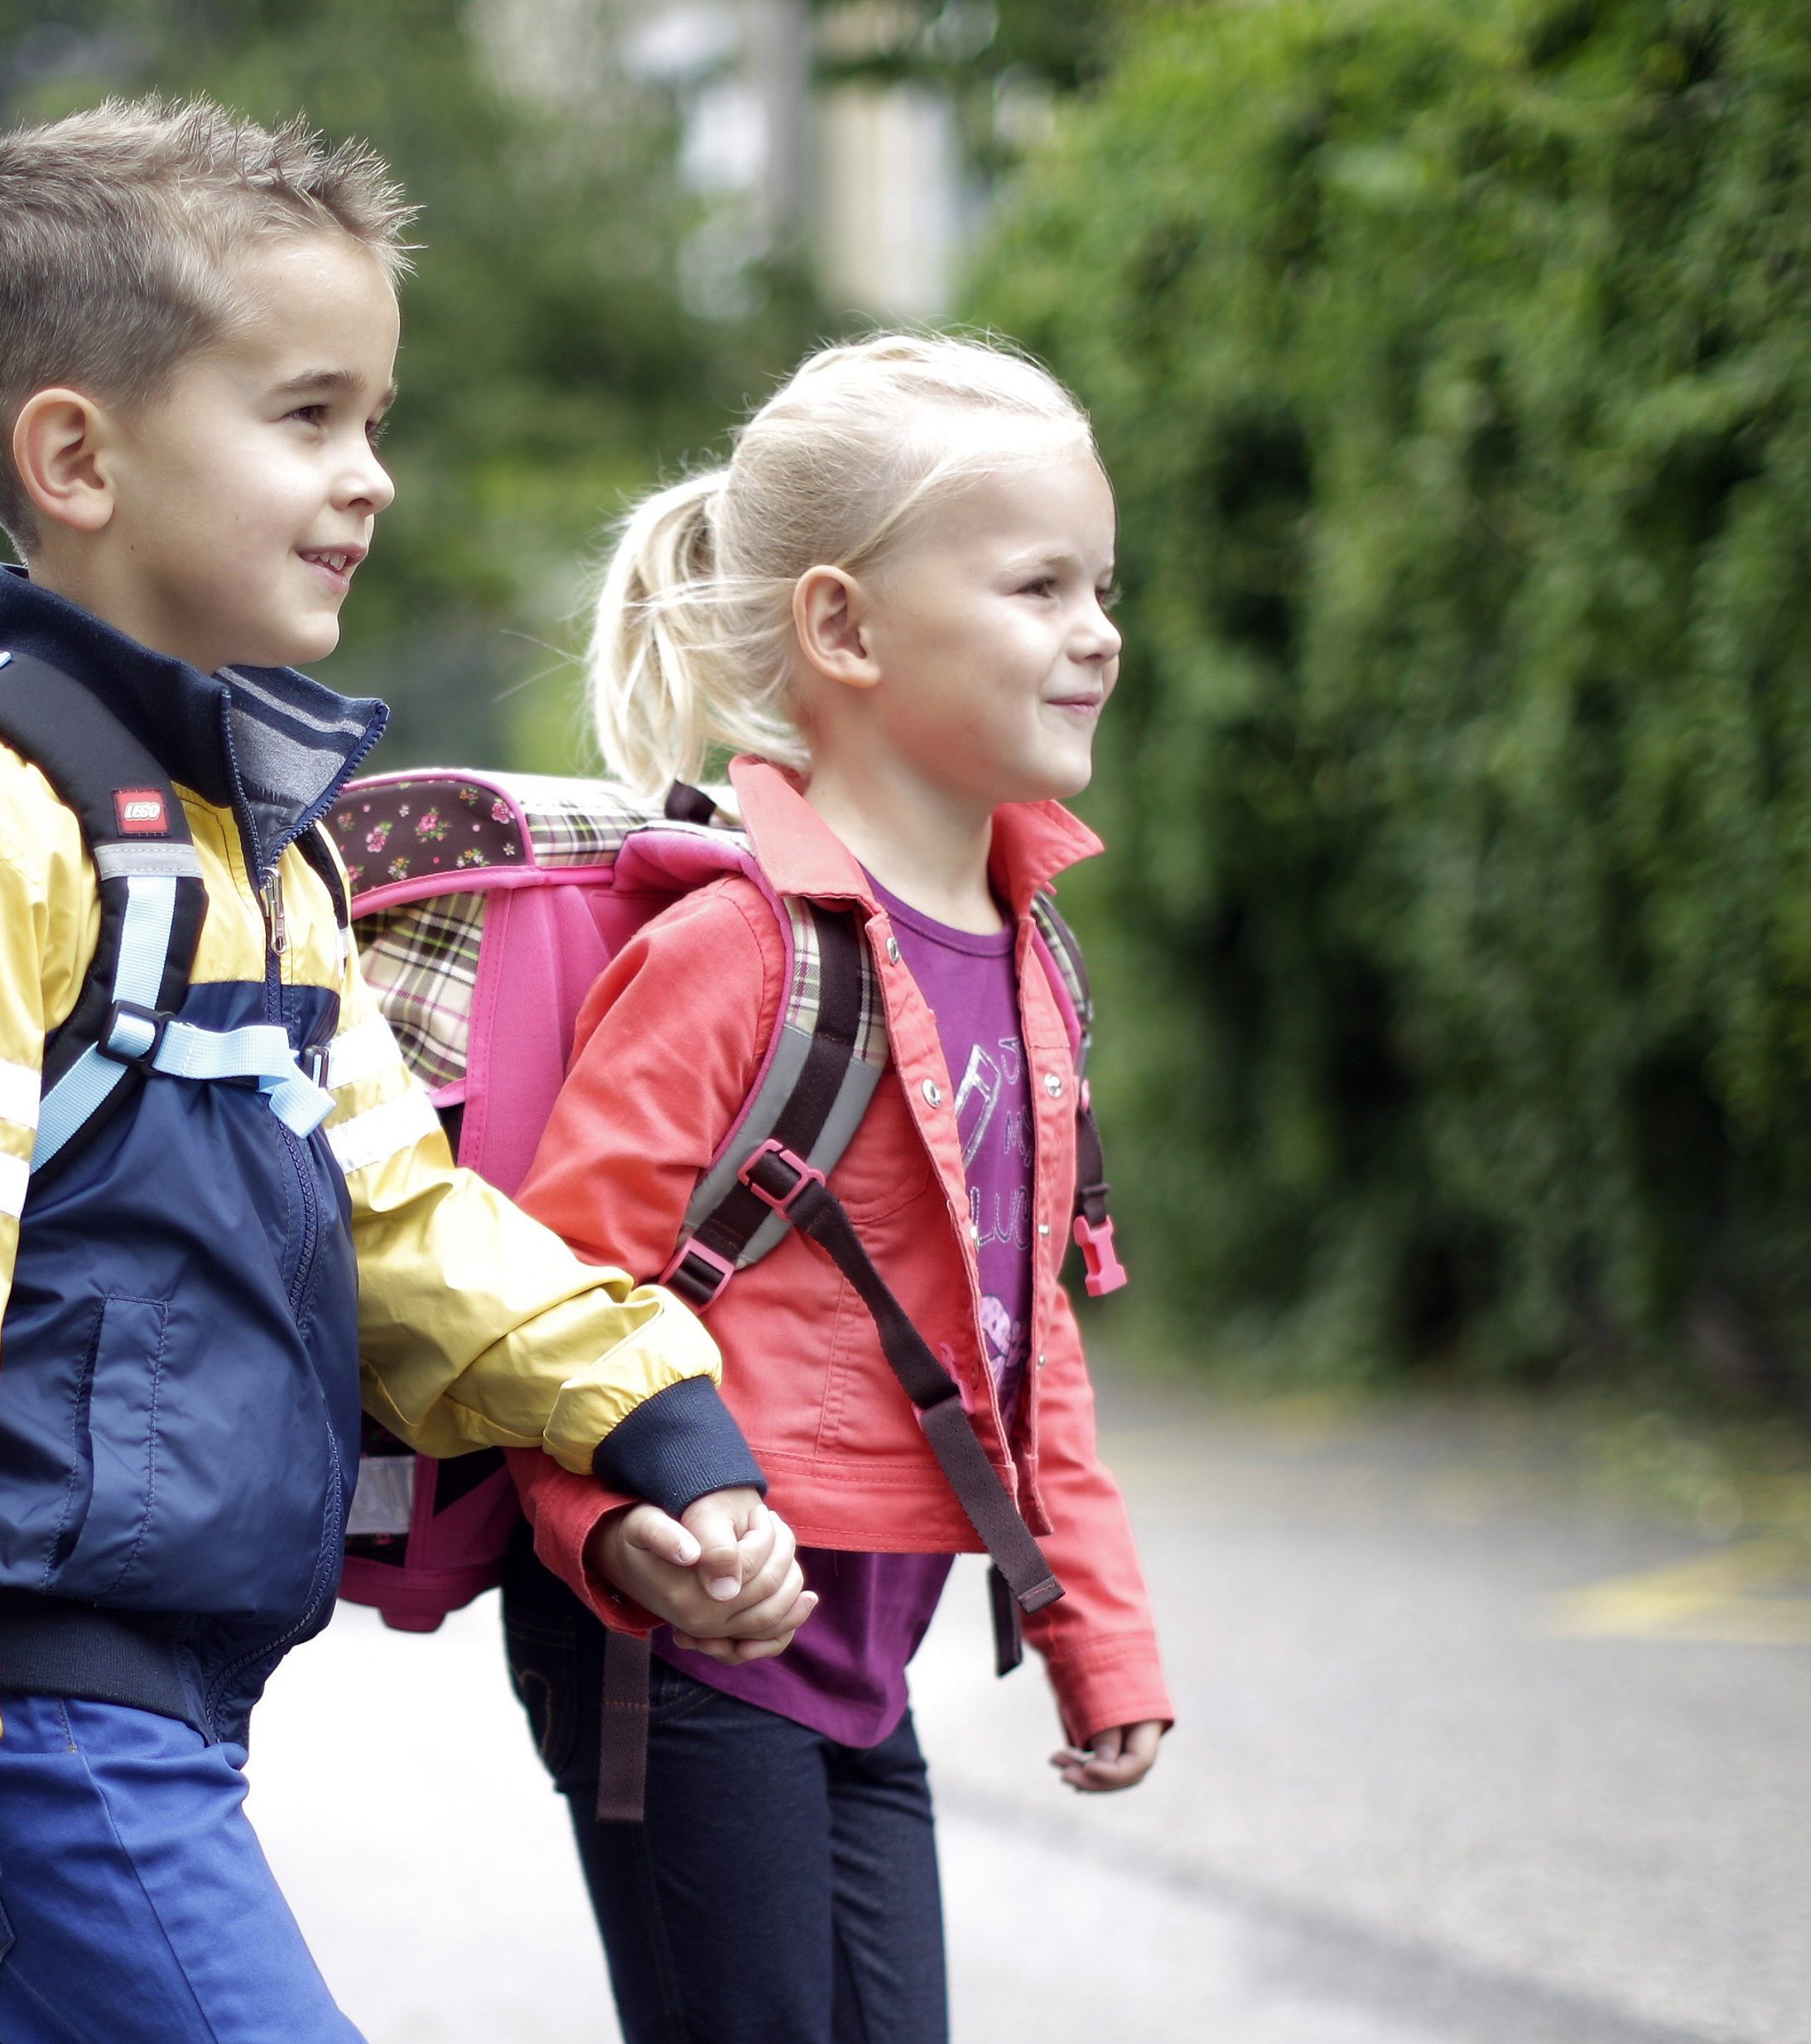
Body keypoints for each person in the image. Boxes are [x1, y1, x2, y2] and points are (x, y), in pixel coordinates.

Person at [0, 98, 808, 2044]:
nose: (367, 476)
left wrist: (648, 1411)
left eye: (370, 419)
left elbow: (394, 1210)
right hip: (33, 1711)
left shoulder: (252, 847)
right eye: (304, 416)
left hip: (170, 1698)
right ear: (76, 456)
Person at [503, 333, 1175, 2044]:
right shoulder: (731, 956)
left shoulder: (1027, 956)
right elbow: (556, 1298)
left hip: (865, 1667)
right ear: (844, 629)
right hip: (687, 1641)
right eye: (1037, 584)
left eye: (1102, 582)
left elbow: (1025, 1337)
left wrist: (1094, 1633)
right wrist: (620, 1534)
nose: (1096, 628)